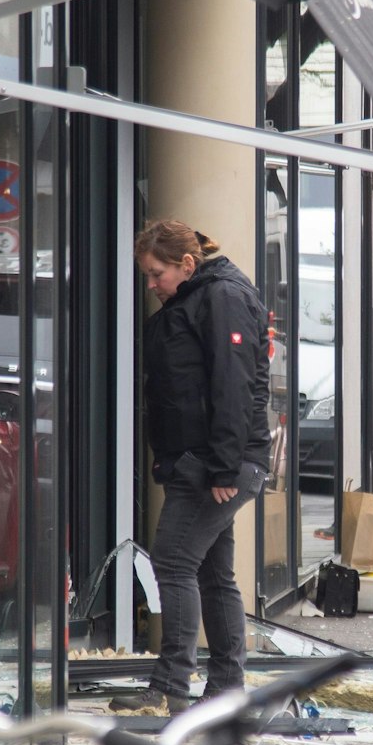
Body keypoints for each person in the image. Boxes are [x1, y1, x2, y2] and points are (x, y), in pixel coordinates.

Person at [114, 220, 270, 715]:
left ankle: (169, 689)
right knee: (212, 573)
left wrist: (224, 468)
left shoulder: (221, 296)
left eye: (156, 273)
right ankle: (225, 688)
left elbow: (233, 383)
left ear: (187, 264)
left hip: (215, 465)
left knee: (175, 563)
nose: (151, 284)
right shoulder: (195, 298)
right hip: (206, 461)